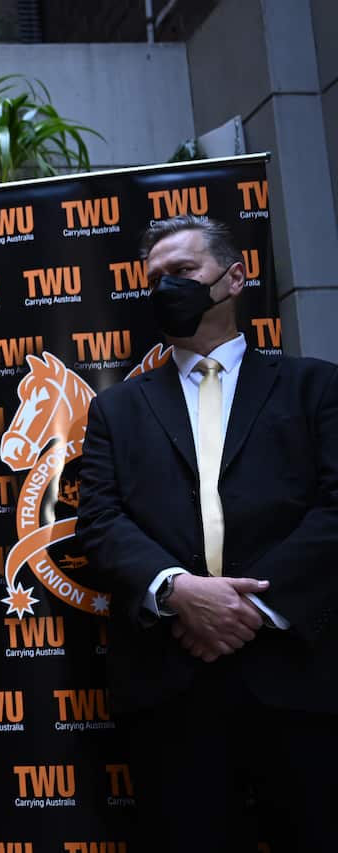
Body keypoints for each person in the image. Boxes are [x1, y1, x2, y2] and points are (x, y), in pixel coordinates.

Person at [76, 214, 338, 852]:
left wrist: (248, 604)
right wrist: (178, 591)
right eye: (156, 279)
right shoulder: (118, 408)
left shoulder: (314, 386)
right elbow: (100, 523)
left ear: (234, 278)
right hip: (172, 682)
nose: (167, 286)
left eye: (184, 272)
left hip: (297, 676)